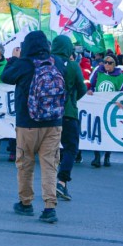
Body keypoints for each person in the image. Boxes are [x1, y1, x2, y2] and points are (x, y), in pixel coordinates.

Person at [2, 30, 66, 224]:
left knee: (25, 164)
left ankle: (26, 202)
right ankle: (49, 207)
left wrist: (13, 59)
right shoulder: (57, 63)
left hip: (27, 123)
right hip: (54, 123)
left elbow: (6, 77)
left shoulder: (24, 64)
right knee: (49, 165)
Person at [51, 36, 89, 202]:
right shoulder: (73, 66)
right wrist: (72, 101)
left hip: (48, 113)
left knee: (48, 150)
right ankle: (61, 181)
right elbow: (82, 88)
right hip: (67, 113)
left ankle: (48, 185)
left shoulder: (46, 63)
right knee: (71, 148)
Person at [86, 54, 123, 169]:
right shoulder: (98, 72)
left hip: (111, 109)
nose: (107, 64)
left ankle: (107, 157)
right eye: (105, 62)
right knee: (97, 132)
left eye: (110, 62)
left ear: (114, 64)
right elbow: (91, 85)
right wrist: (90, 90)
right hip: (98, 107)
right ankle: (96, 157)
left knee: (109, 132)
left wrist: (120, 102)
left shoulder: (120, 77)